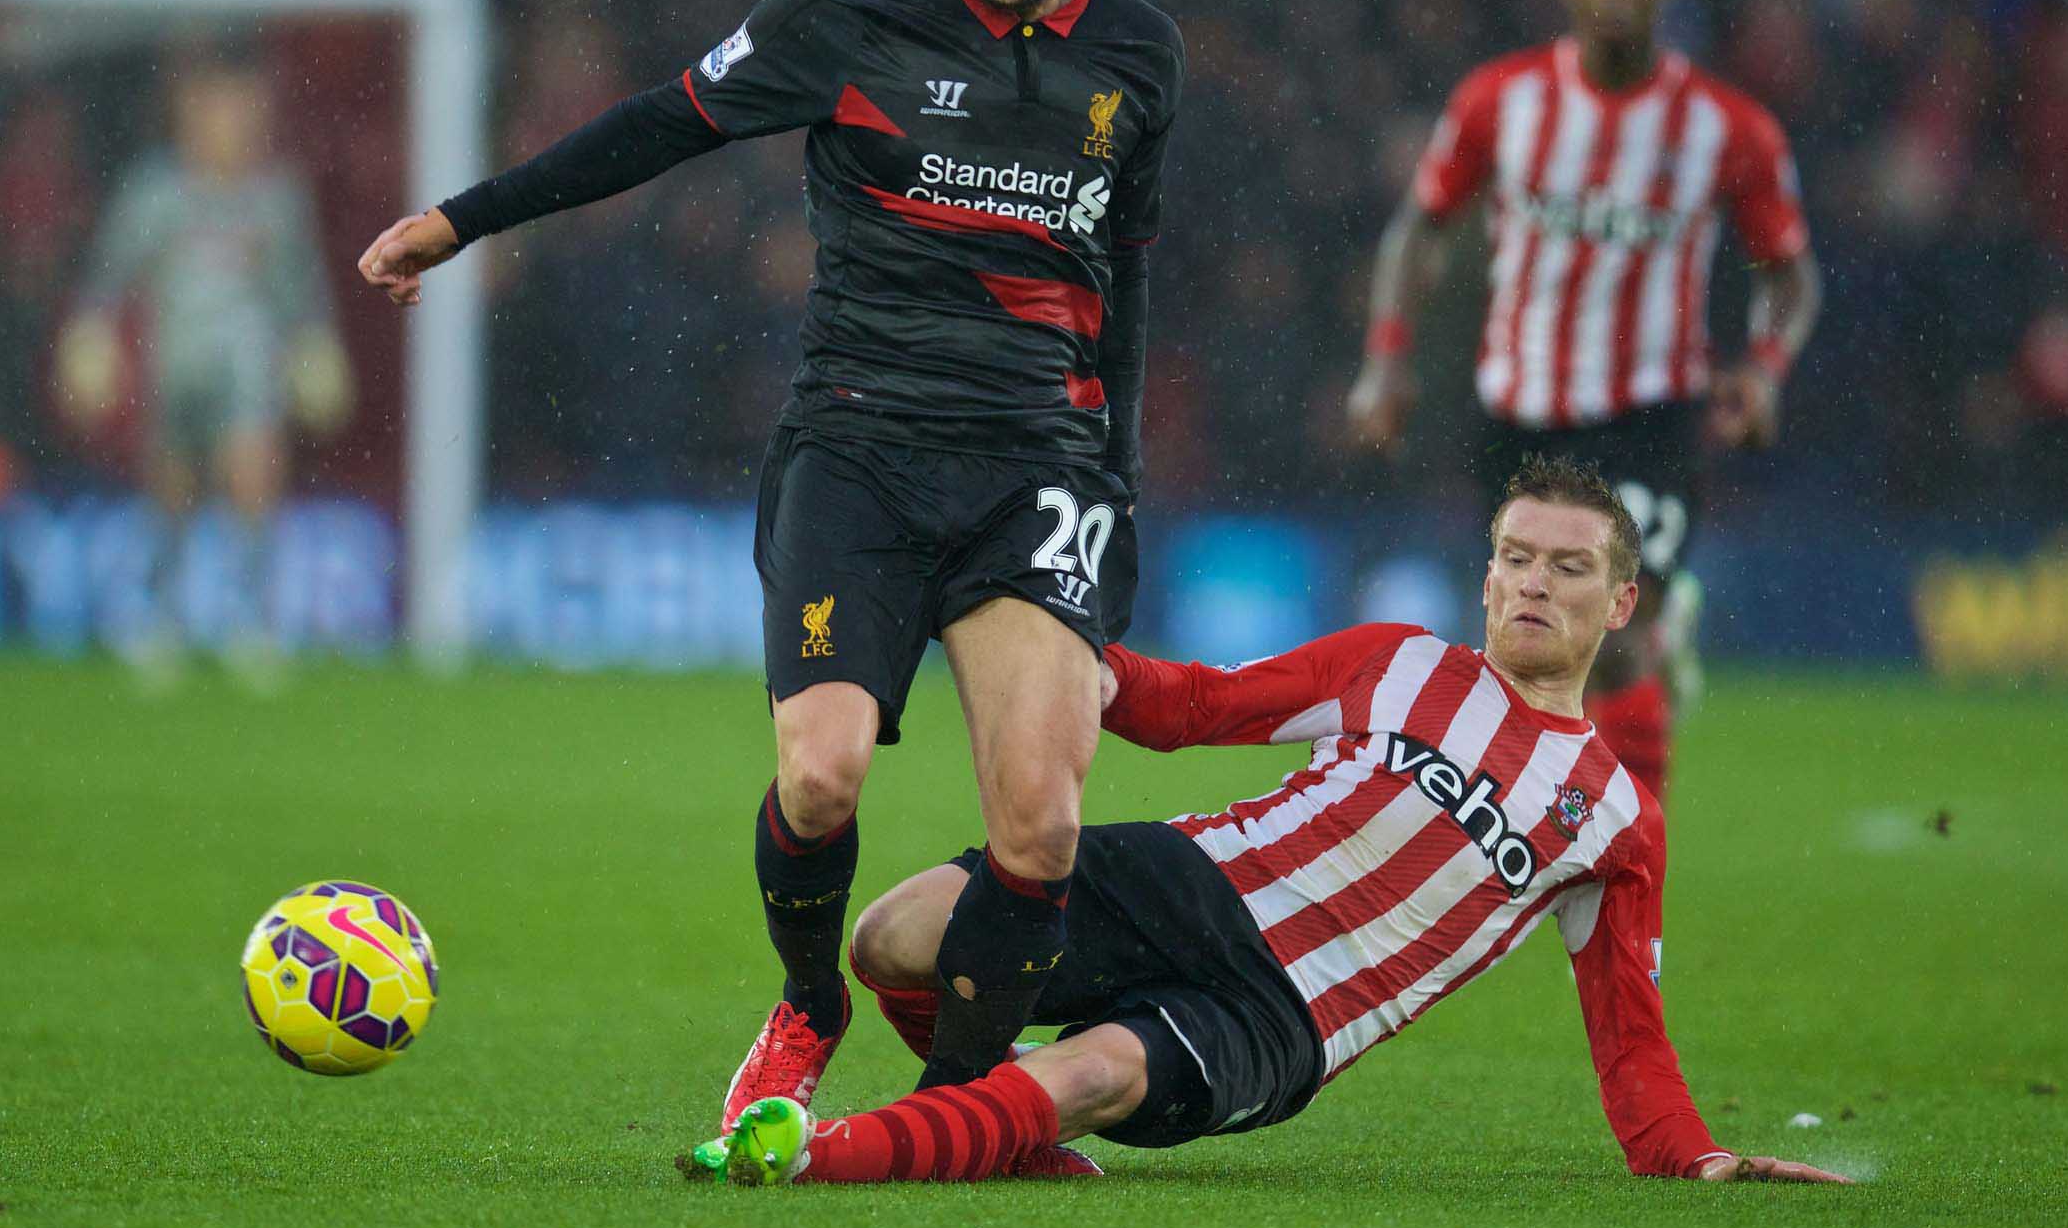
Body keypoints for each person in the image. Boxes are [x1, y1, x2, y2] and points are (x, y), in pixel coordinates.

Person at [356, 0, 1186, 1133]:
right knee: (822, 772)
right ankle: (809, 1004)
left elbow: (1129, 271)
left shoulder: (1141, 56)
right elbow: (663, 125)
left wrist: (1123, 475)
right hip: (857, 446)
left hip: (1039, 466)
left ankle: (957, 1117)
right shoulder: (849, 7)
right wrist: (465, 216)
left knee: (1038, 829)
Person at [681, 456, 1848, 1189]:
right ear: (1485, 578)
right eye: (1516, 558)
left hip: (1284, 1012)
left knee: (1089, 1073)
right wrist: (1075, 659)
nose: (1536, 583)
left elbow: (1630, 1038)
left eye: (1570, 568)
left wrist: (1693, 1158)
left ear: (1623, 602)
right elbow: (1200, 707)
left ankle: (820, 1153)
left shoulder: (1616, 821)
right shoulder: (1395, 663)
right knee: (891, 935)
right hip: (1192, 878)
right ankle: (990, 1127)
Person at [1346, 0, 1822, 799]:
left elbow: (1791, 271)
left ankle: (1626, 870)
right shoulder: (1502, 101)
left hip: (1647, 414)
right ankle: (1542, 824)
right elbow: (1419, 228)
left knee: (1613, 642)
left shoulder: (1724, 127)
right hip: (1516, 414)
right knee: (1525, 645)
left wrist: (1764, 371)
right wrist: (1387, 357)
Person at [57, 47, 351, 682]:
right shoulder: (154, 193)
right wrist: (90, 336)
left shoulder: (275, 199)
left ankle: (253, 622)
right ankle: (161, 616)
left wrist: (314, 345)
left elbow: (301, 291)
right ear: (192, 117)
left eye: (247, 111)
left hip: (246, 369)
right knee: (171, 492)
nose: (237, 125)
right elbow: (107, 279)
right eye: (222, 110)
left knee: (252, 477)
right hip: (174, 366)